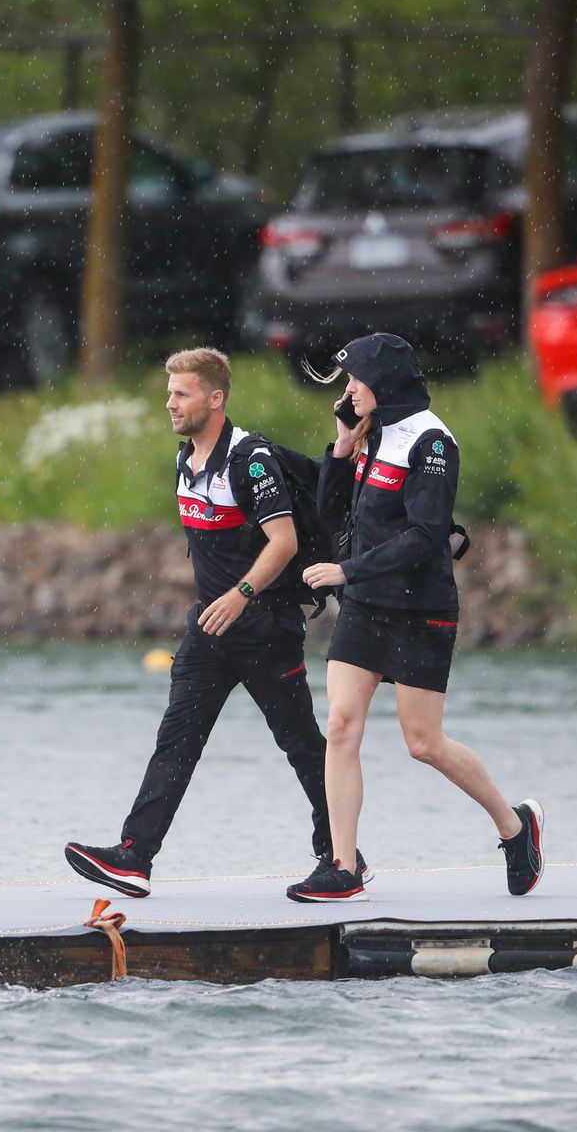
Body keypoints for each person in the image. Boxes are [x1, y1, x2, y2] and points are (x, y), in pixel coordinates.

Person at [66, 347, 360, 897]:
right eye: (169, 392)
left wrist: (241, 594)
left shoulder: (251, 460)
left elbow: (284, 542)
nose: (170, 403)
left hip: (265, 628)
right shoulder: (186, 460)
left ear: (215, 398)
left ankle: (342, 855)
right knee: (176, 739)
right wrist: (218, 603)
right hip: (209, 630)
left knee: (299, 742)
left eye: (182, 393)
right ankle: (134, 857)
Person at [286, 332, 542, 903]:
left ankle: (515, 826)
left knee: (424, 743)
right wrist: (342, 445)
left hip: (420, 609)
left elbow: (426, 538)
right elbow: (330, 514)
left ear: (386, 382)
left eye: (357, 380)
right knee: (341, 727)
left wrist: (346, 570)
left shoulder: (431, 443)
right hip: (365, 606)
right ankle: (343, 867)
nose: (349, 390)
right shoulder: (369, 432)